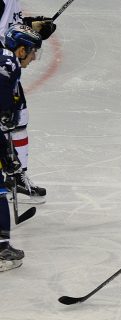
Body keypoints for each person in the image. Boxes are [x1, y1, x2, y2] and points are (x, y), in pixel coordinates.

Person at [0, 3, 55, 204]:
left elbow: (8, 25)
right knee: (6, 119)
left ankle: (17, 177)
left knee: (19, 117)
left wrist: (31, 26)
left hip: (8, 65)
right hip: (3, 68)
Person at [0, 24, 41, 271]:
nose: (35, 57)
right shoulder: (8, 64)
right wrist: (7, 154)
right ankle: (2, 250)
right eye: (33, 51)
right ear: (21, 49)